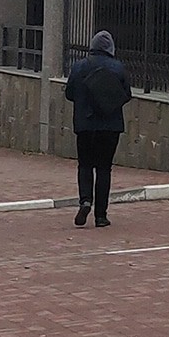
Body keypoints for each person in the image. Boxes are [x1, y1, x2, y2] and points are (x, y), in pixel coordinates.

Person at [64, 31, 131, 228]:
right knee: (104, 168)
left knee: (85, 165)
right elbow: (126, 95)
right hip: (110, 127)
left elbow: (69, 93)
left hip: (84, 125)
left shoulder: (79, 66)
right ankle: (101, 216)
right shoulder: (118, 68)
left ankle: (85, 201)